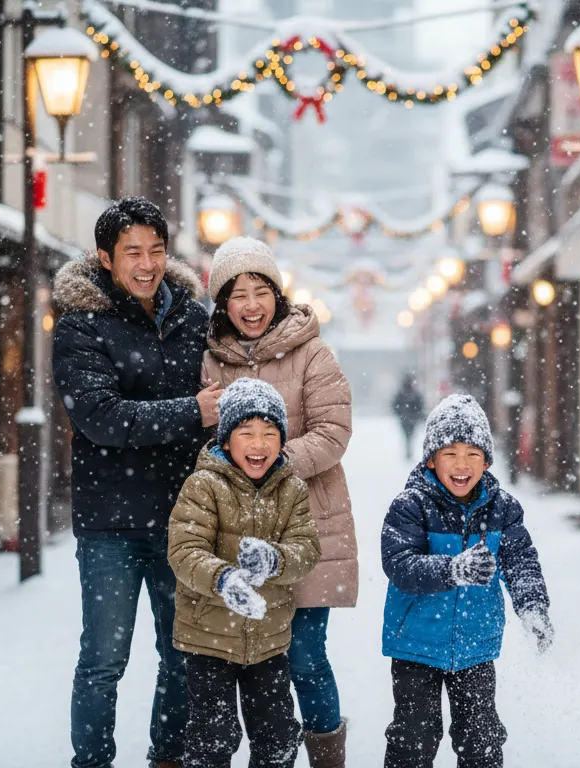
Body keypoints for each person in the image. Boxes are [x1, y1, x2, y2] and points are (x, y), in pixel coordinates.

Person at [52, 196, 222, 768]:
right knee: (104, 657)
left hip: (185, 519)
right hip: (111, 523)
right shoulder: (81, 325)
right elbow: (99, 418)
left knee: (182, 653)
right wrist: (190, 413)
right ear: (105, 258)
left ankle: (168, 756)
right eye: (132, 253)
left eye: (155, 250)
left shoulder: (194, 319)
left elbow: (253, 346)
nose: (146, 264)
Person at [202, 237, 357, 767]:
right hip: (236, 537)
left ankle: (327, 758)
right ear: (223, 304)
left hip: (305, 527)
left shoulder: (312, 351)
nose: (250, 304)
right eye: (237, 293)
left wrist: (273, 457)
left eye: (260, 290)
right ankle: (271, 755)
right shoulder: (211, 362)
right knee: (251, 663)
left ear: (277, 295)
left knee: (306, 658)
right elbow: (203, 444)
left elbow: (334, 431)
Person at [380, 394, 554, 768]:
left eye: (473, 454)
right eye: (451, 454)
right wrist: (452, 570)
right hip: (416, 645)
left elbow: (521, 560)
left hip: (476, 646)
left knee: (482, 739)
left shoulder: (502, 509)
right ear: (431, 459)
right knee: (414, 739)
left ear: (487, 461)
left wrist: (532, 606)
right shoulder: (411, 504)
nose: (462, 465)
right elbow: (400, 565)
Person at [168, 377, 321, 768]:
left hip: (268, 640)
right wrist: (223, 578)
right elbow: (185, 551)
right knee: (212, 737)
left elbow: (307, 548)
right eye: (247, 432)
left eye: (270, 433)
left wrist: (275, 560)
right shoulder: (203, 485)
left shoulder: (292, 489)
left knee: (277, 735)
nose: (259, 444)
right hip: (207, 640)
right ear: (225, 439)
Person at [392, 373, 424, 461]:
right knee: (410, 435)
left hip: (405, 418)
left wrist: (400, 413)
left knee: (407, 436)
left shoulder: (402, 393)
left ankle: (408, 451)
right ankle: (409, 451)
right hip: (411, 418)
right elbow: (420, 405)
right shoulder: (414, 393)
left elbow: (395, 405)